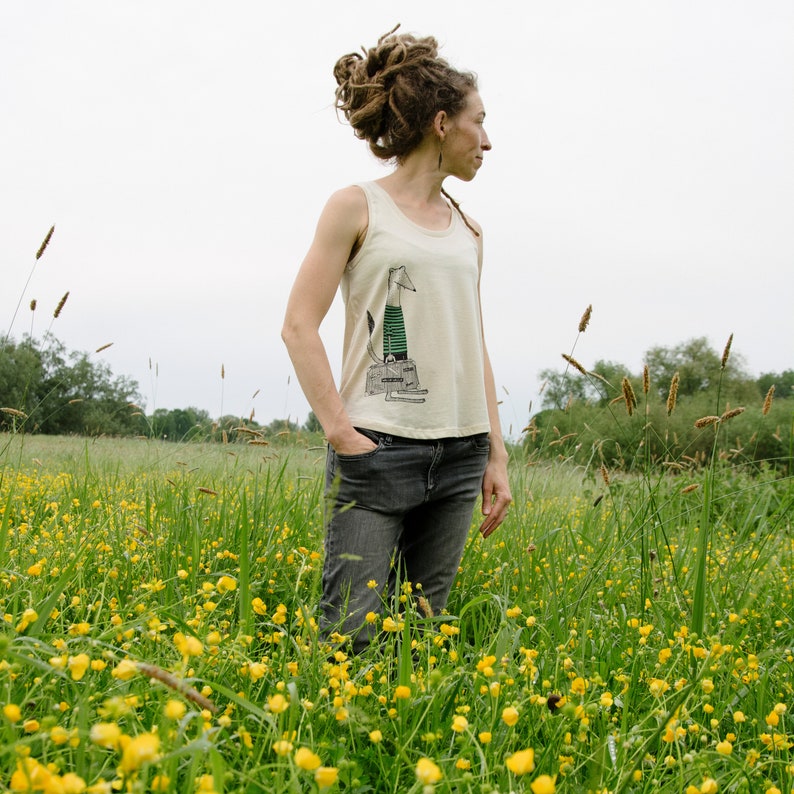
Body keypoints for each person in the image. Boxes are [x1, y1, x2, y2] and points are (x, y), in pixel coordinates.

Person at [281, 27, 511, 652]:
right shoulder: (355, 207)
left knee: (418, 636)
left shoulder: (470, 229)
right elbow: (299, 324)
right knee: (349, 640)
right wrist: (339, 431)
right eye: (479, 123)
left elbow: (475, 345)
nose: (488, 141)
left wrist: (495, 453)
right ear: (442, 123)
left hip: (460, 452)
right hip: (377, 448)